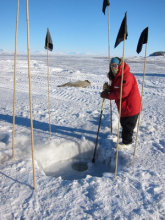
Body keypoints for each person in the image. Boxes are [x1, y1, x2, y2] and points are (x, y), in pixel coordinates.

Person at [100, 57, 142, 148]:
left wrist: (107, 96)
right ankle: (125, 137)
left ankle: (127, 143)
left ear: (120, 65)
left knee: (128, 125)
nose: (113, 68)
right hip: (124, 106)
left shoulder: (126, 77)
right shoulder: (118, 76)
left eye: (115, 65)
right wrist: (108, 89)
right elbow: (116, 88)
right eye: (111, 66)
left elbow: (122, 92)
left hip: (130, 107)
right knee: (124, 123)